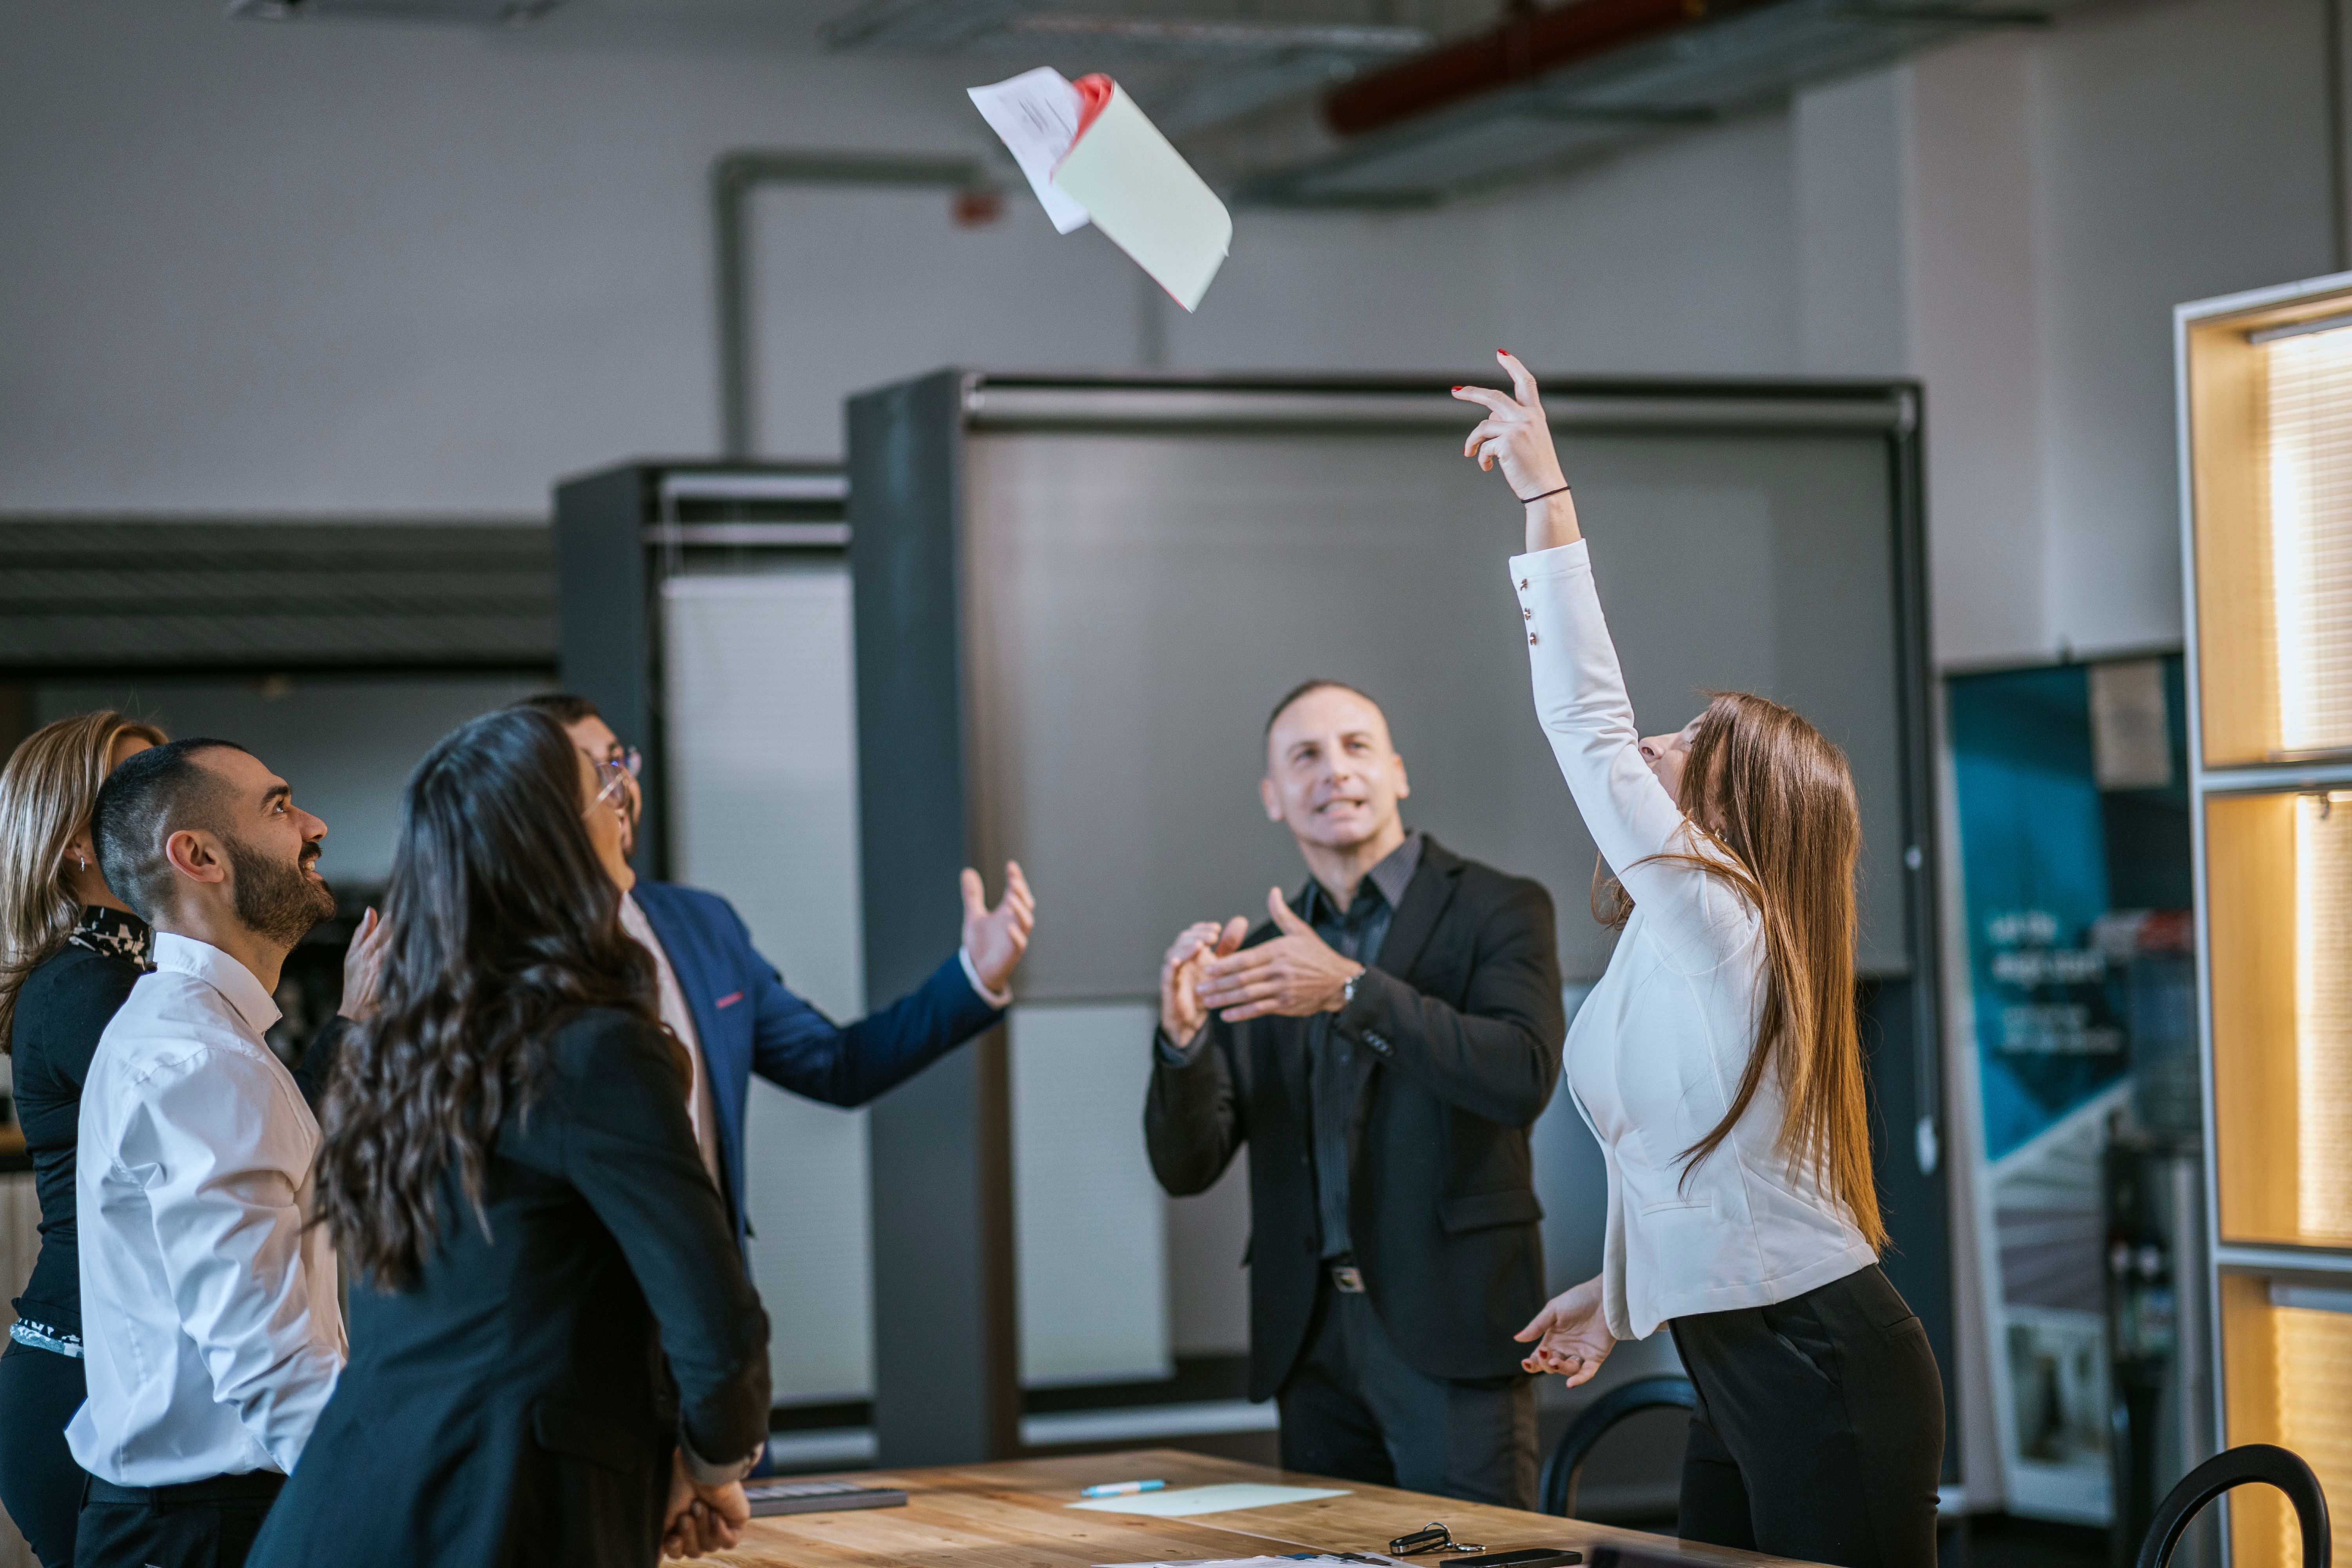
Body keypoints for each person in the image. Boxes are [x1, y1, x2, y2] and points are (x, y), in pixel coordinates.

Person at [1458, 351, 1943, 1568]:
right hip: (1738, 1355)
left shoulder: (1727, 922)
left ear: (1739, 816)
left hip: (1824, 1358)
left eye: (1685, 746)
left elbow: (1584, 723)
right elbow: (1683, 1167)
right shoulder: (1669, 949)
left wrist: (1546, 502)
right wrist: (1619, 1303)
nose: (1655, 749)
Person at [246, 706, 770, 1568]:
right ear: (550, 839)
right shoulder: (590, 1045)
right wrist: (707, 1463)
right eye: (601, 783)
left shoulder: (400, 1041)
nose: (622, 793)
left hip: (348, 1510)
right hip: (492, 1516)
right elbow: (719, 1326)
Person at [1145, 680, 1565, 1509]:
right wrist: (1183, 1038)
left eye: (1356, 746)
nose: (1333, 771)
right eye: (1305, 756)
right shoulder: (1259, 952)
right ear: (1273, 796)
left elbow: (1520, 1074)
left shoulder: (1500, 906)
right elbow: (1187, 1166)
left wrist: (1348, 988)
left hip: (1454, 1325)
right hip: (1311, 1343)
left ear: (1398, 773)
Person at [512, 694, 1034, 1243]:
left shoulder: (706, 927)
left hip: (709, 1283)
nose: (617, 787)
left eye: (618, 762)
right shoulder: (509, 949)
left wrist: (976, 974)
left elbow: (836, 1064)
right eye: (590, 772)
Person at [71, 740, 349, 1568]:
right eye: (279, 804)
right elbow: (269, 1359)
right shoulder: (201, 1055)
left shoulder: (211, 1037)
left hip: (207, 1516)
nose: (315, 824)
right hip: (204, 1530)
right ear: (198, 856)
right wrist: (398, 1505)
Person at [0, 712, 164, 1567]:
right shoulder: (86, 986)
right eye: (137, 790)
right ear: (74, 842)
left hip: (116, 1370)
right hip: (83, 1384)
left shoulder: (137, 974)